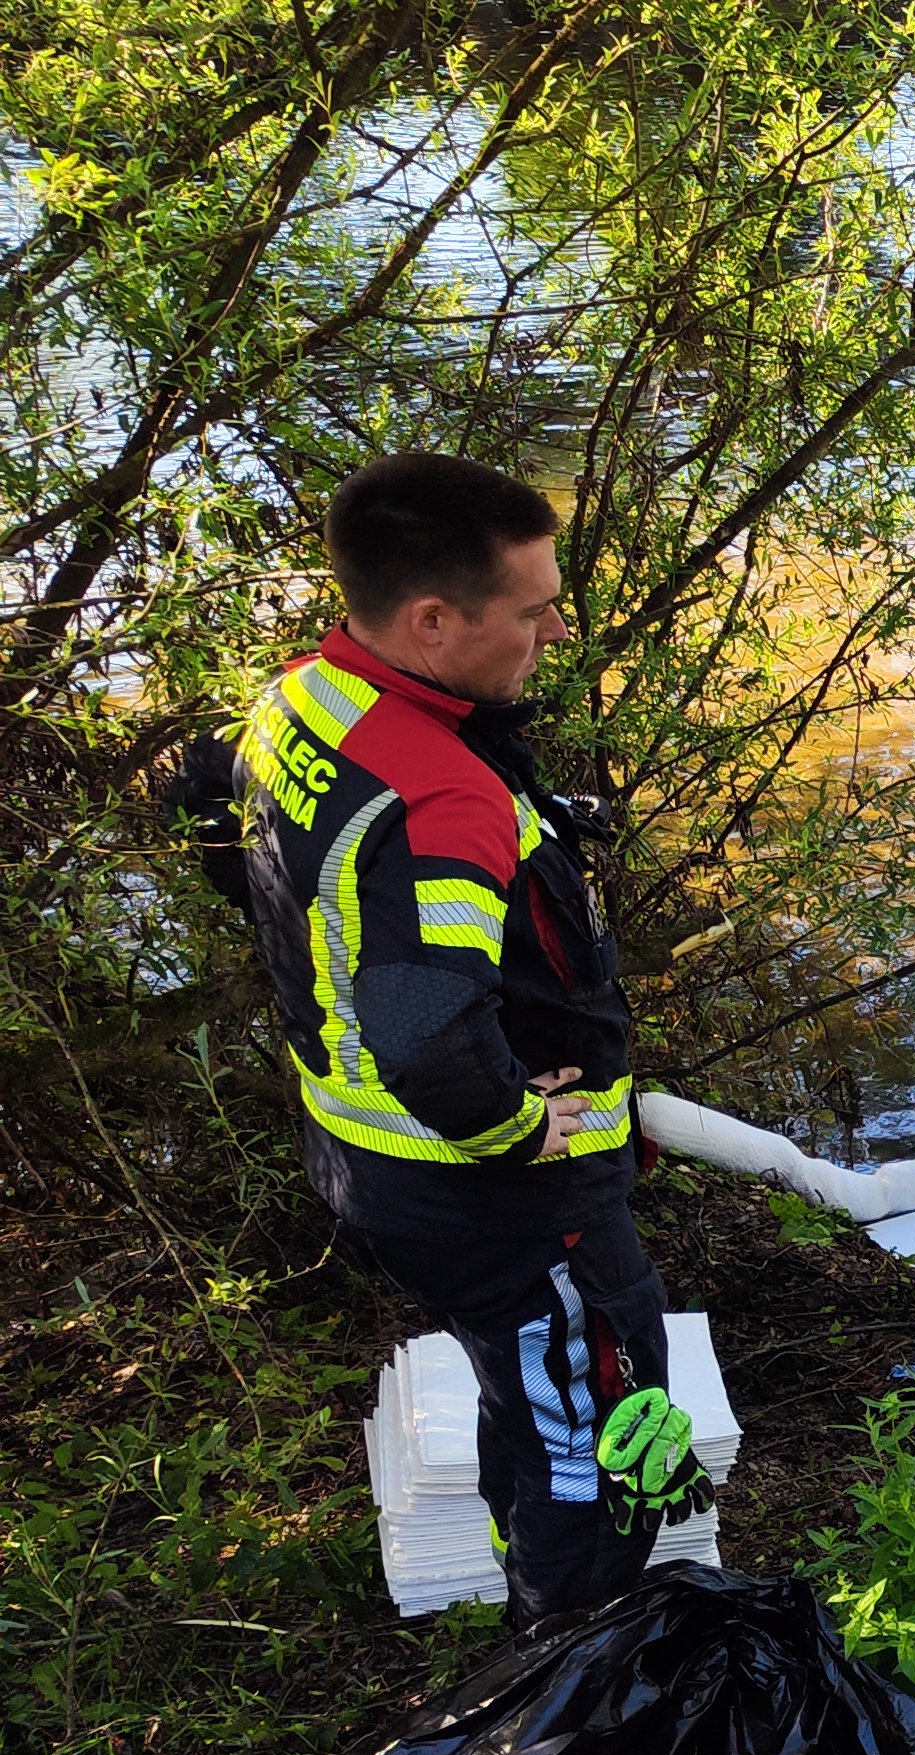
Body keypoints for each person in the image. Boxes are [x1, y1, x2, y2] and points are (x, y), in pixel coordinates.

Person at [213, 451, 691, 1634]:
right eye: (531, 610)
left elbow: (240, 849)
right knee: (599, 1429)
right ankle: (567, 1678)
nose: (554, 630)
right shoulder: (443, 799)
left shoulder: (306, 700)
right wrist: (526, 1127)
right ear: (433, 619)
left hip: (357, 1157)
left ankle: (520, 1576)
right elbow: (427, 1038)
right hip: (493, 1199)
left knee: (525, 1392)